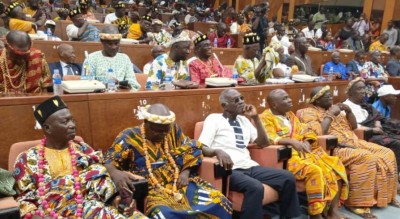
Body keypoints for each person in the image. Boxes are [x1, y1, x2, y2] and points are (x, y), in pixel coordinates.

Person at [13, 95, 147, 219]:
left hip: (95, 209)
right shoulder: (26, 160)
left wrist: (118, 202)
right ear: (48, 128)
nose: (72, 125)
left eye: (72, 120)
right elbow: (24, 202)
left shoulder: (83, 149)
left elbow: (100, 183)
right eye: (65, 122)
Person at [104, 103, 233, 218]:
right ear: (146, 122)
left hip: (179, 183)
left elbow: (193, 146)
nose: (161, 135)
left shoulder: (173, 130)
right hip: (151, 189)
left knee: (220, 201)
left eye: (165, 132)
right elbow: (108, 161)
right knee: (164, 214)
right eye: (157, 131)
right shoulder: (129, 136)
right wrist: (115, 172)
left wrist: (215, 151)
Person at [298, 85, 400, 218]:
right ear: (317, 100)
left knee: (387, 153)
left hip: (355, 141)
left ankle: (387, 196)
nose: (331, 98)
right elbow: (318, 134)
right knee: (366, 157)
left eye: (330, 95)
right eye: (326, 96)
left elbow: (354, 126)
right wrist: (330, 115)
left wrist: (349, 111)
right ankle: (358, 204)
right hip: (336, 148)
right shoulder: (308, 113)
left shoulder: (335, 109)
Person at [198, 88, 300, 219]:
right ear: (225, 105)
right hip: (229, 169)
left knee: (288, 177)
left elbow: (264, 143)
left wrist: (256, 118)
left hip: (250, 166)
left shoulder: (244, 121)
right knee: (255, 187)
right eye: (236, 100)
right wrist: (217, 151)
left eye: (242, 98)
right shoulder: (214, 119)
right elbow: (201, 146)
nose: (241, 102)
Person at [259, 89, 349, 219]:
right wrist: (291, 141)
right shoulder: (265, 117)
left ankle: (332, 211)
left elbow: (306, 130)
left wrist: (307, 141)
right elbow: (268, 138)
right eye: (284, 98)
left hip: (307, 151)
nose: (290, 100)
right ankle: (315, 213)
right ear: (274, 104)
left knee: (335, 164)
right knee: (315, 170)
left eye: (288, 97)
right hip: (288, 156)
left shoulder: (290, 115)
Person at [82, 25, 140, 90]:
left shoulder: (125, 58)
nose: (113, 47)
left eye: (116, 43)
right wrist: (104, 85)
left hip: (122, 95)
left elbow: (133, 83)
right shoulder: (90, 59)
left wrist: (120, 84)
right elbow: (86, 82)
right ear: (102, 42)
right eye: (109, 44)